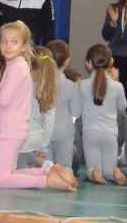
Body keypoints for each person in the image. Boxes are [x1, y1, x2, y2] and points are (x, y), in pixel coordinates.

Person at [0, 22, 75, 190]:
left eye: (14, 41)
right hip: (13, 130)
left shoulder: (16, 68)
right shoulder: (18, 66)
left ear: (24, 46)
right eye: (4, 41)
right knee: (10, 172)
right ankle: (46, 172)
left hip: (10, 132)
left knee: (0, 180)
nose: (8, 46)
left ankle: (46, 181)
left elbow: (3, 100)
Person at [80, 43, 127, 185]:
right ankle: (114, 172)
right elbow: (123, 107)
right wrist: (117, 81)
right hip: (109, 133)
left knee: (92, 168)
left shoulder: (82, 84)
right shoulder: (117, 86)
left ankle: (94, 172)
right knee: (108, 168)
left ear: (88, 63)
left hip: (90, 132)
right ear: (111, 61)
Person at [17, 47, 58, 169]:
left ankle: (40, 167)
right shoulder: (48, 90)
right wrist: (43, 147)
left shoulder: (22, 85)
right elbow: (49, 125)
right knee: (26, 165)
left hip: (21, 138)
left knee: (17, 170)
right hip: (37, 139)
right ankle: (41, 165)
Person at [46, 40, 82, 170]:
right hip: (64, 131)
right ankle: (66, 184)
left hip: (44, 130)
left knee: (45, 167)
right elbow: (77, 112)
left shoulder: (40, 84)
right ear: (67, 61)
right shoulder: (71, 86)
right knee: (65, 167)